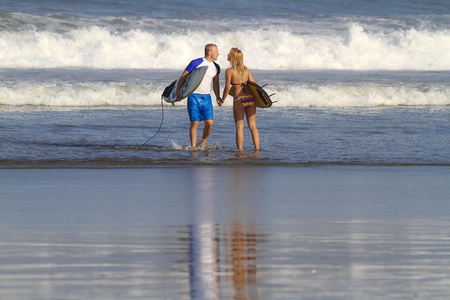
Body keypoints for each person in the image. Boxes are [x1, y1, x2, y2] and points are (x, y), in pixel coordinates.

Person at [176, 44, 222, 148]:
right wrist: (179, 92)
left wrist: (218, 97)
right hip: (194, 96)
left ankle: (202, 142)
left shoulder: (216, 67)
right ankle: (193, 148)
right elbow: (183, 77)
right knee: (194, 123)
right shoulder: (196, 62)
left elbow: (215, 83)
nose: (218, 53)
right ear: (209, 52)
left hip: (206, 97)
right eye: (216, 51)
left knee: (209, 123)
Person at [219, 47, 260, 152]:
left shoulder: (229, 71)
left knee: (239, 127)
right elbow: (254, 84)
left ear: (232, 57)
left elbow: (227, 87)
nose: (227, 56)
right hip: (250, 99)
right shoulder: (246, 69)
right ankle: (257, 148)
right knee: (253, 126)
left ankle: (240, 151)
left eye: (228, 54)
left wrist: (222, 99)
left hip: (239, 100)